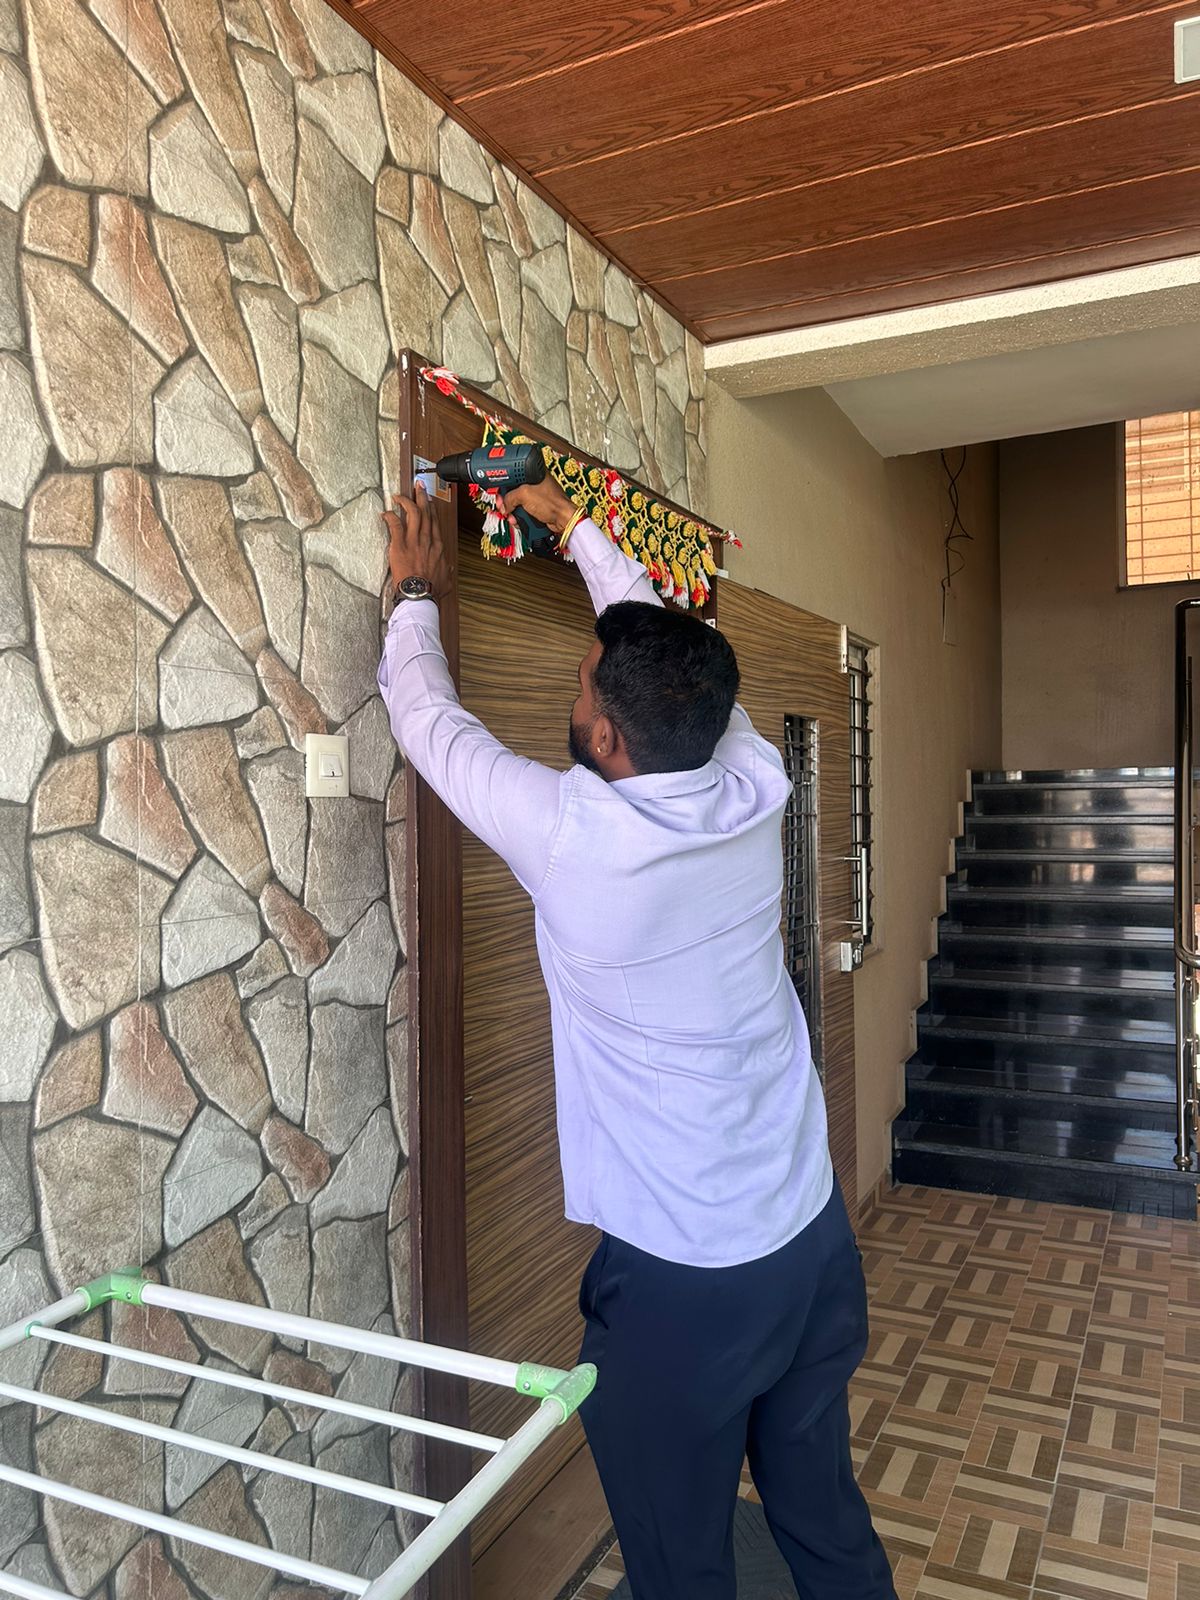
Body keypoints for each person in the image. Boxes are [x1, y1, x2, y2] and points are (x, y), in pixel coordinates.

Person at [378, 476, 897, 1600]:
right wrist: (576, 529)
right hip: (812, 1242)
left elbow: (430, 725)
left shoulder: (576, 836)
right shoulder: (752, 775)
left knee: (679, 1562)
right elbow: (674, 641)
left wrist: (416, 590)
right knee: (823, 1517)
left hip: (687, 1287)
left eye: (580, 686)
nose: (574, 690)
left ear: (606, 735)